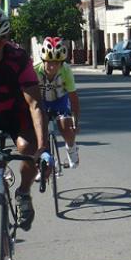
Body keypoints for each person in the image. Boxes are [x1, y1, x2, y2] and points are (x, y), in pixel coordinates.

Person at [0, 5, 50, 231]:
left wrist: (43, 148)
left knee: (28, 148)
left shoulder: (18, 58)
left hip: (16, 112)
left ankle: (23, 193)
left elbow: (34, 104)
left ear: (6, 38)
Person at [34, 37, 81, 168]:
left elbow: (74, 99)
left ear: (61, 62)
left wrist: (75, 123)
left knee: (66, 127)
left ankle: (71, 149)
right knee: (40, 132)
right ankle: (43, 165)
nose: (52, 66)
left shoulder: (66, 71)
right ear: (44, 60)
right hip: (41, 101)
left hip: (60, 100)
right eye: (49, 62)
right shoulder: (34, 70)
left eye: (56, 62)